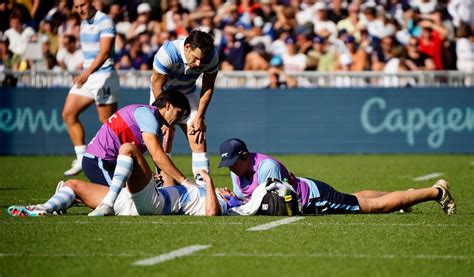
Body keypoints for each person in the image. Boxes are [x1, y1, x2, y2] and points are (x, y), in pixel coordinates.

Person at [217, 138, 456, 215]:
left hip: (314, 198)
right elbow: (249, 201)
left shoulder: (266, 168)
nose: (231, 168)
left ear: (246, 156)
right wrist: (233, 199)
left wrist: (235, 204)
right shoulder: (237, 170)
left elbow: (280, 206)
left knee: (372, 207)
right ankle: (409, 196)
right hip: (310, 190)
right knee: (355, 197)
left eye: (233, 162)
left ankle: (436, 192)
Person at [82, 89, 198, 216]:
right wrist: (184, 182)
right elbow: (158, 157)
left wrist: (170, 192)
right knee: (126, 203)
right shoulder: (148, 116)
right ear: (168, 105)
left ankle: (73, 193)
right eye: (179, 113)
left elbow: (161, 165)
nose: (179, 119)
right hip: (99, 162)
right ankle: (74, 193)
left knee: (143, 191)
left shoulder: (154, 125)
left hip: (111, 164)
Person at [7, 163, 225, 217]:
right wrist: (162, 179)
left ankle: (105, 204)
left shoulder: (218, 200)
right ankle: (41, 208)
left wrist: (209, 181)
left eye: (231, 192)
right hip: (137, 198)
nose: (228, 189)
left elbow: (212, 213)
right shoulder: (197, 193)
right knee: (71, 184)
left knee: (128, 148)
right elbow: (172, 189)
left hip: (148, 202)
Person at [150, 29, 219, 184]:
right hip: (164, 95)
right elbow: (157, 86)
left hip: (188, 93)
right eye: (195, 58)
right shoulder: (167, 54)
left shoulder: (211, 56)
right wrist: (163, 119)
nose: (199, 64)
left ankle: (203, 188)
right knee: (165, 139)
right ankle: (164, 183)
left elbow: (207, 87)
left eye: (202, 60)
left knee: (198, 135)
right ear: (187, 47)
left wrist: (200, 117)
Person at [62, 0, 120, 177]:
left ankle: (122, 160)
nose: (80, 9)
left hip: (104, 76)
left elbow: (104, 52)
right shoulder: (83, 22)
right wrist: (86, 72)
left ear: (91, 3)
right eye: (77, 6)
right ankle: (81, 157)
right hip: (88, 75)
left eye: (83, 5)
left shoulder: (105, 21)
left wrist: (86, 73)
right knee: (69, 113)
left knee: (108, 122)